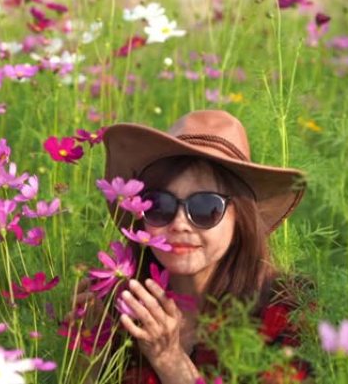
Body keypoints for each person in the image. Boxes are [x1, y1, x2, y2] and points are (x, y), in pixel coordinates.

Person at [73, 110, 313, 383]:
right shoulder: (122, 308)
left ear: (240, 218)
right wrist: (92, 351)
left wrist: (170, 361)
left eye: (205, 207)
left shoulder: (289, 311)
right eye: (159, 205)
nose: (179, 224)